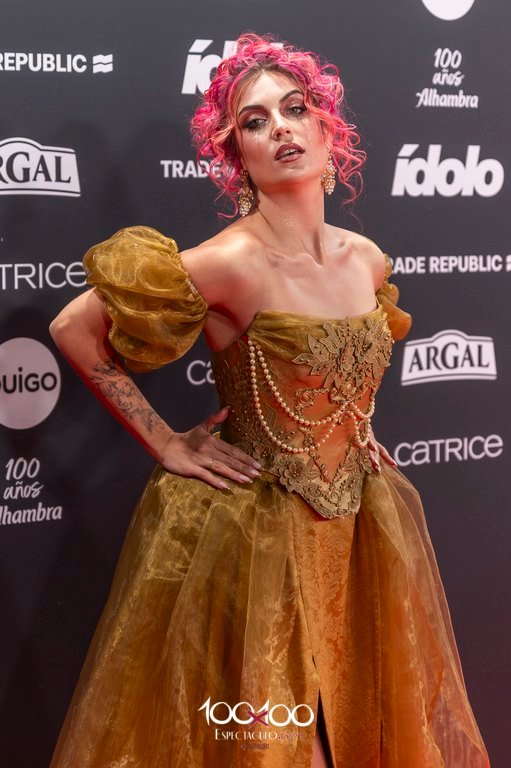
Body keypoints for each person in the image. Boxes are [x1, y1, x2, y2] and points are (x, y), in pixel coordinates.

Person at [48, 33, 490, 768]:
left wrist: (350, 426)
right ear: (236, 155)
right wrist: (165, 441)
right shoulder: (231, 261)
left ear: (327, 128)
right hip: (255, 536)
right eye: (255, 121)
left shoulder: (366, 258)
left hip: (359, 526)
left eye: (295, 108)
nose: (281, 128)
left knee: (368, 730)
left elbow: (347, 365)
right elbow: (73, 327)